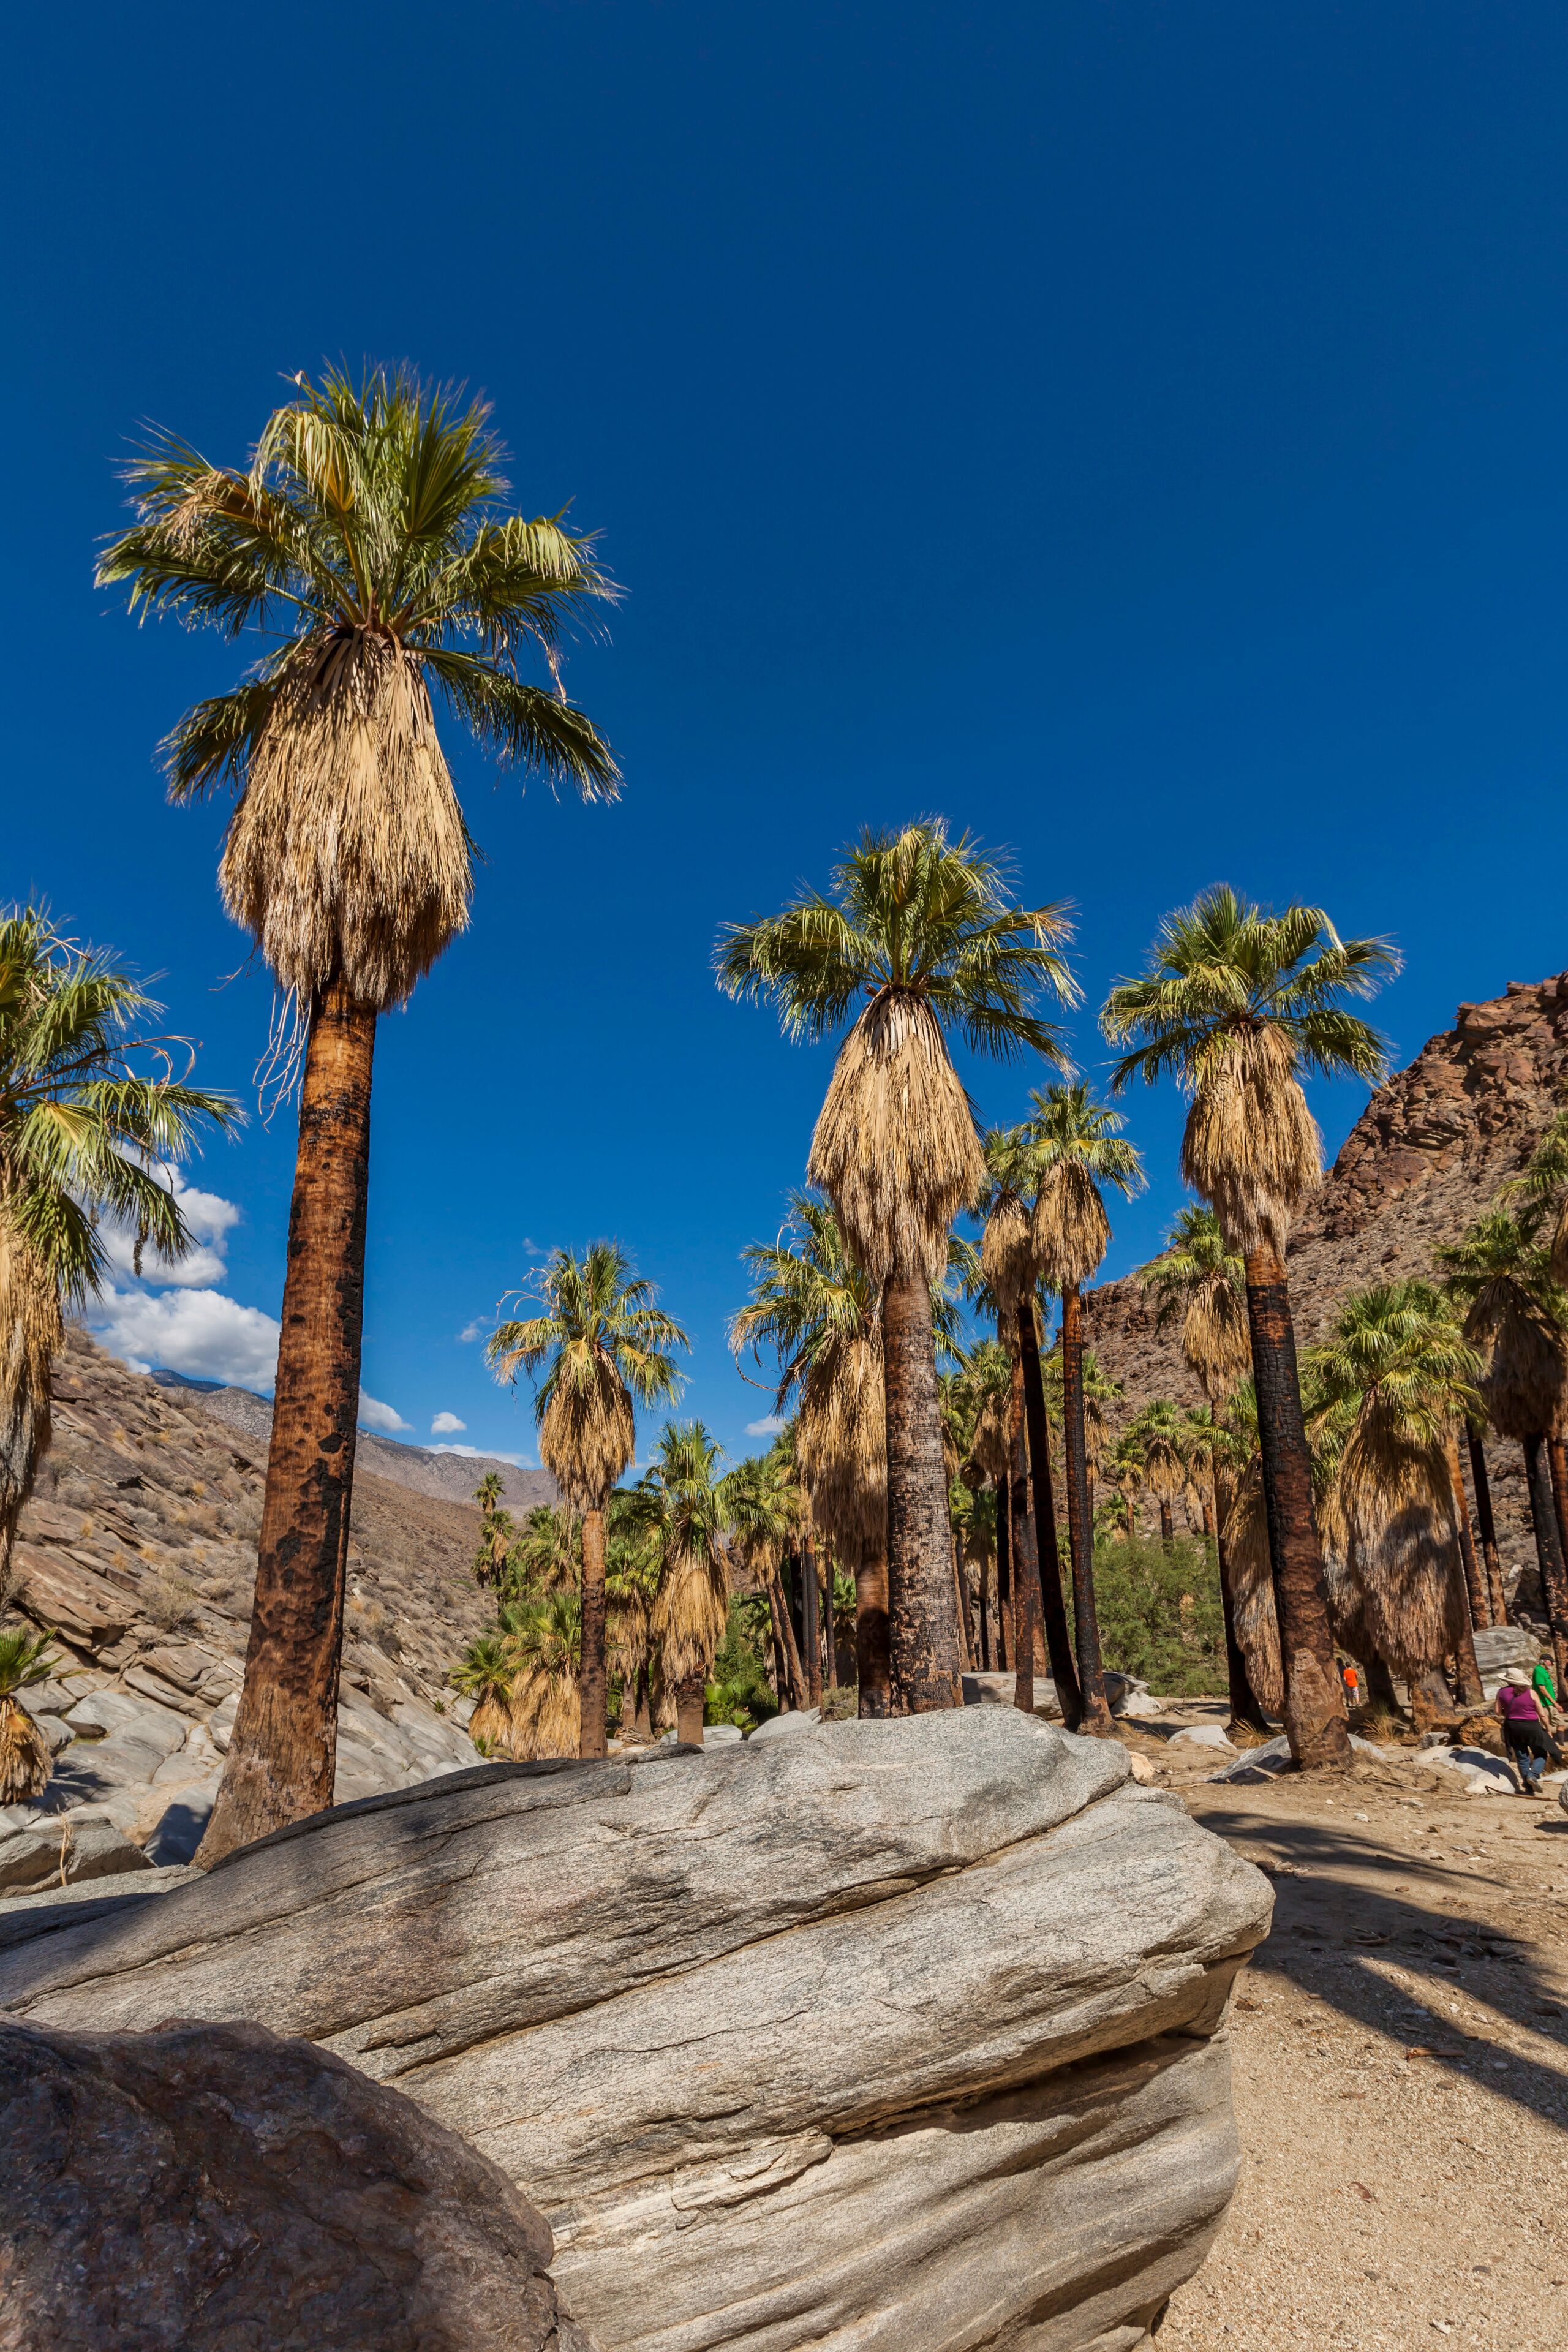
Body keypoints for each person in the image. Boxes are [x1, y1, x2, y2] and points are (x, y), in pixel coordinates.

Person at [1495, 1668, 1562, 1795]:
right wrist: (1548, 1729)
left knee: (1522, 1757)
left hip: (1512, 1727)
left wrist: (1511, 1713)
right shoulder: (1531, 1693)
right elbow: (1542, 1715)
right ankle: (1534, 1775)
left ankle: (1529, 1789)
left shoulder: (1501, 1692)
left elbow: (1498, 1712)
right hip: (1532, 1727)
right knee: (1541, 1753)